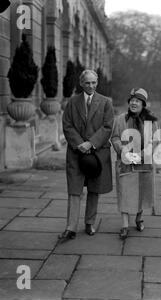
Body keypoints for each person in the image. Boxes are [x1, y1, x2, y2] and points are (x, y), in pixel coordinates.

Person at [59, 70, 114, 241]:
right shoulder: (72, 102)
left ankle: (89, 223)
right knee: (74, 189)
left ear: (97, 83)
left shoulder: (105, 102)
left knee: (94, 188)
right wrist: (79, 144)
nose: (91, 86)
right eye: (88, 83)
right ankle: (71, 228)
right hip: (76, 152)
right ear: (81, 83)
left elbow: (107, 127)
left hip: (97, 152)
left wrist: (91, 143)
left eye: (94, 82)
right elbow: (67, 125)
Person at [111, 88, 158, 240]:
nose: (133, 103)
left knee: (141, 191)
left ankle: (139, 218)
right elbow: (115, 137)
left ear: (143, 104)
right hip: (125, 162)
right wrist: (123, 150)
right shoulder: (120, 119)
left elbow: (154, 141)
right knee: (124, 191)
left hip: (144, 163)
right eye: (132, 100)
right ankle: (125, 225)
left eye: (137, 100)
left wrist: (142, 155)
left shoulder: (150, 121)